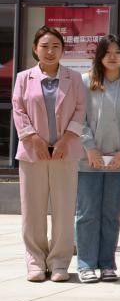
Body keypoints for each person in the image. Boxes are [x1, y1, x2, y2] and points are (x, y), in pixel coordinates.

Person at [13, 26, 87, 282]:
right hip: (32, 153)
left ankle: (59, 263)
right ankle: (35, 261)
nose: (50, 51)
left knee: (64, 210)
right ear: (35, 49)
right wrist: (33, 138)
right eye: (44, 46)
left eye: (56, 46)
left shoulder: (74, 78)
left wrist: (67, 139)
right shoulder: (23, 78)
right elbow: (18, 110)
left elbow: (80, 109)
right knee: (32, 210)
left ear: (63, 50)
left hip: (65, 153)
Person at [76, 34, 120, 283]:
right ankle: (85, 264)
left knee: (110, 215)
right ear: (99, 55)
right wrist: (89, 148)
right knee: (87, 213)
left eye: (118, 52)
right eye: (108, 52)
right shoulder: (85, 82)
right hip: (87, 160)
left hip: (118, 161)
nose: (113, 57)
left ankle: (107, 264)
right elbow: (78, 117)